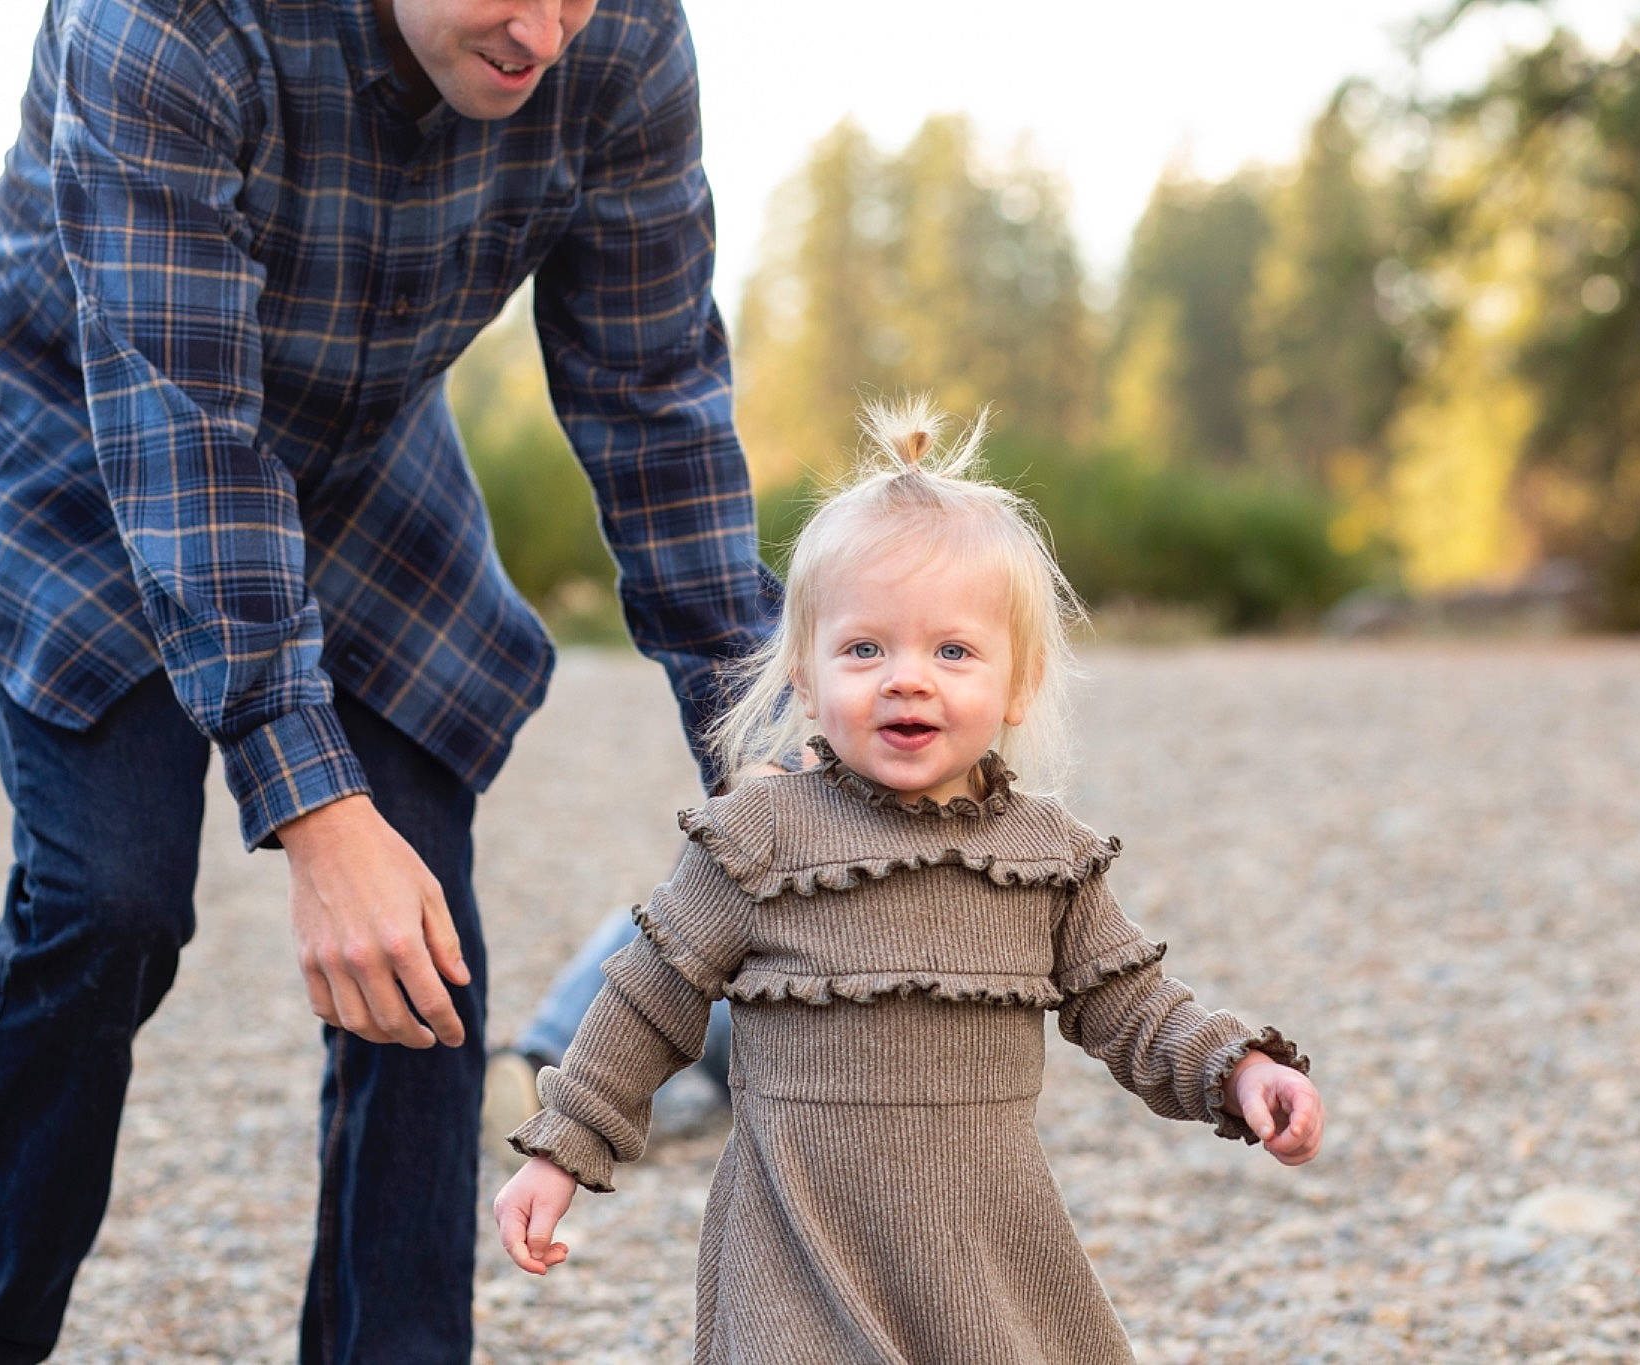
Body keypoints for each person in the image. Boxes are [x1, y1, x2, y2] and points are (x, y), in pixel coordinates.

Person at [0, 0, 776, 1360]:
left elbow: (653, 396)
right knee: (111, 897)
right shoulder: (164, 25)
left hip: (362, 453)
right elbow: (188, 439)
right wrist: (313, 811)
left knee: (422, 941)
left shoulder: (629, 41)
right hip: (90, 434)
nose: (546, 31)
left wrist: (768, 762)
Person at [491, 399, 1326, 1362]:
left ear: (1019, 682)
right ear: (804, 675)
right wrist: (563, 1145)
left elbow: (1133, 1003)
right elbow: (648, 1001)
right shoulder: (757, 836)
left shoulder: (1046, 858)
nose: (907, 678)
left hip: (984, 1252)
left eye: (954, 650)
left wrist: (1238, 1067)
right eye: (864, 648)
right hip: (795, 1249)